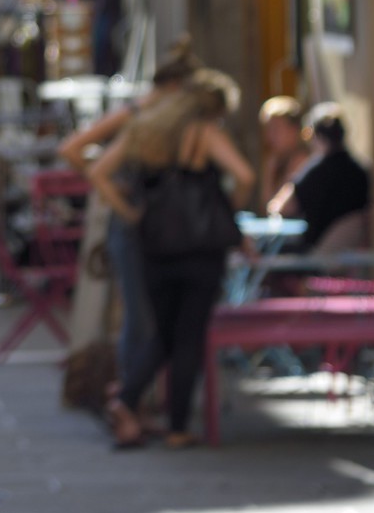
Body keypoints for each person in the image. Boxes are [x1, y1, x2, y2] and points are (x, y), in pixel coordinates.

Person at [97, 72, 255, 449]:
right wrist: (225, 208)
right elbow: (245, 175)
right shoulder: (205, 133)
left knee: (164, 334)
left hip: (154, 246)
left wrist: (129, 212)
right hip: (200, 250)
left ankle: (125, 399)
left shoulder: (147, 131)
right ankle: (178, 426)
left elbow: (97, 171)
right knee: (188, 336)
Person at [61, 37, 200, 392]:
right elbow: (74, 150)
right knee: (137, 316)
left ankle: (142, 394)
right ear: (173, 88)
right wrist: (119, 189)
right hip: (135, 223)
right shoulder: (137, 115)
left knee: (151, 314)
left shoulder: (161, 120)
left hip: (156, 223)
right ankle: (129, 395)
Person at [270, 103, 371, 254]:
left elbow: (282, 208)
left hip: (316, 257)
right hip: (349, 258)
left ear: (315, 136)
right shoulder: (361, 171)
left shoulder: (316, 170)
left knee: (270, 252)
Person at [258, 94, 309, 214]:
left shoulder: (303, 161)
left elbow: (280, 208)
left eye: (276, 129)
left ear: (294, 130)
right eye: (267, 130)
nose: (270, 136)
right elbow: (265, 205)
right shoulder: (276, 160)